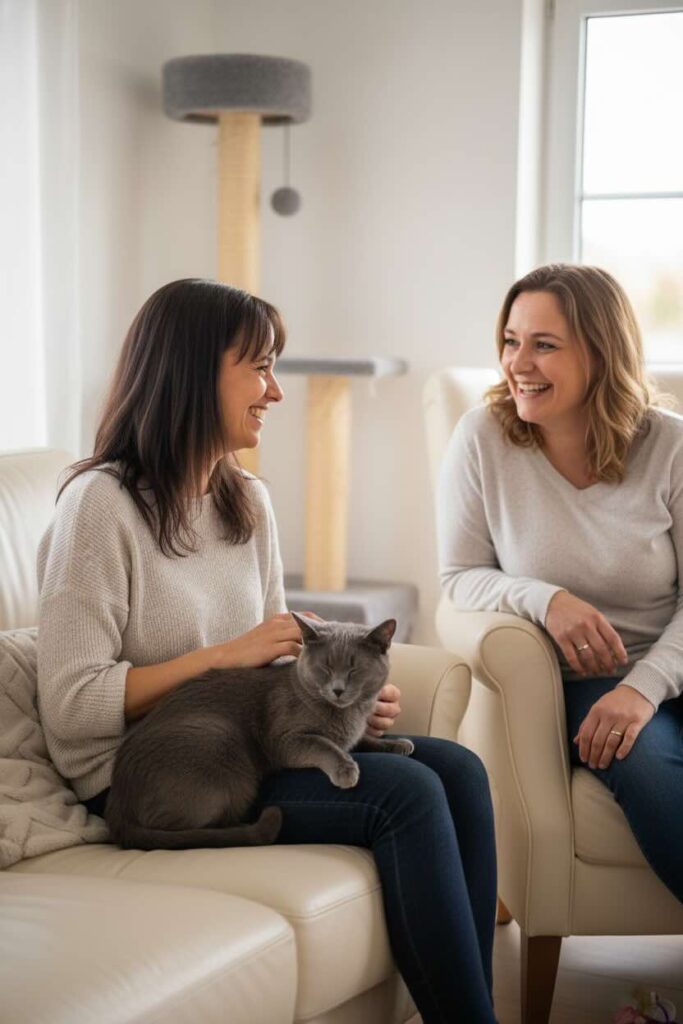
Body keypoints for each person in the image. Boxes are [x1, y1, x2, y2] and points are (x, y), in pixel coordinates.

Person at [37, 278, 498, 1024]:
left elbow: (276, 665)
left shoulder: (246, 500)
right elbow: (70, 704)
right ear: (191, 373)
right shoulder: (99, 507)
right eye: (258, 367)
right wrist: (224, 655)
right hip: (155, 772)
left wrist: (340, 702)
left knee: (457, 769)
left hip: (253, 741)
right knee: (406, 797)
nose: (275, 392)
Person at [437, 263, 683, 904]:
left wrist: (646, 687)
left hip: (667, 667)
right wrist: (546, 600)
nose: (519, 362)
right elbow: (460, 577)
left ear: (602, 353)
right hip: (589, 683)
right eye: (511, 340)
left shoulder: (671, 447)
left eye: (544, 344)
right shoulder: (484, 439)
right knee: (650, 769)